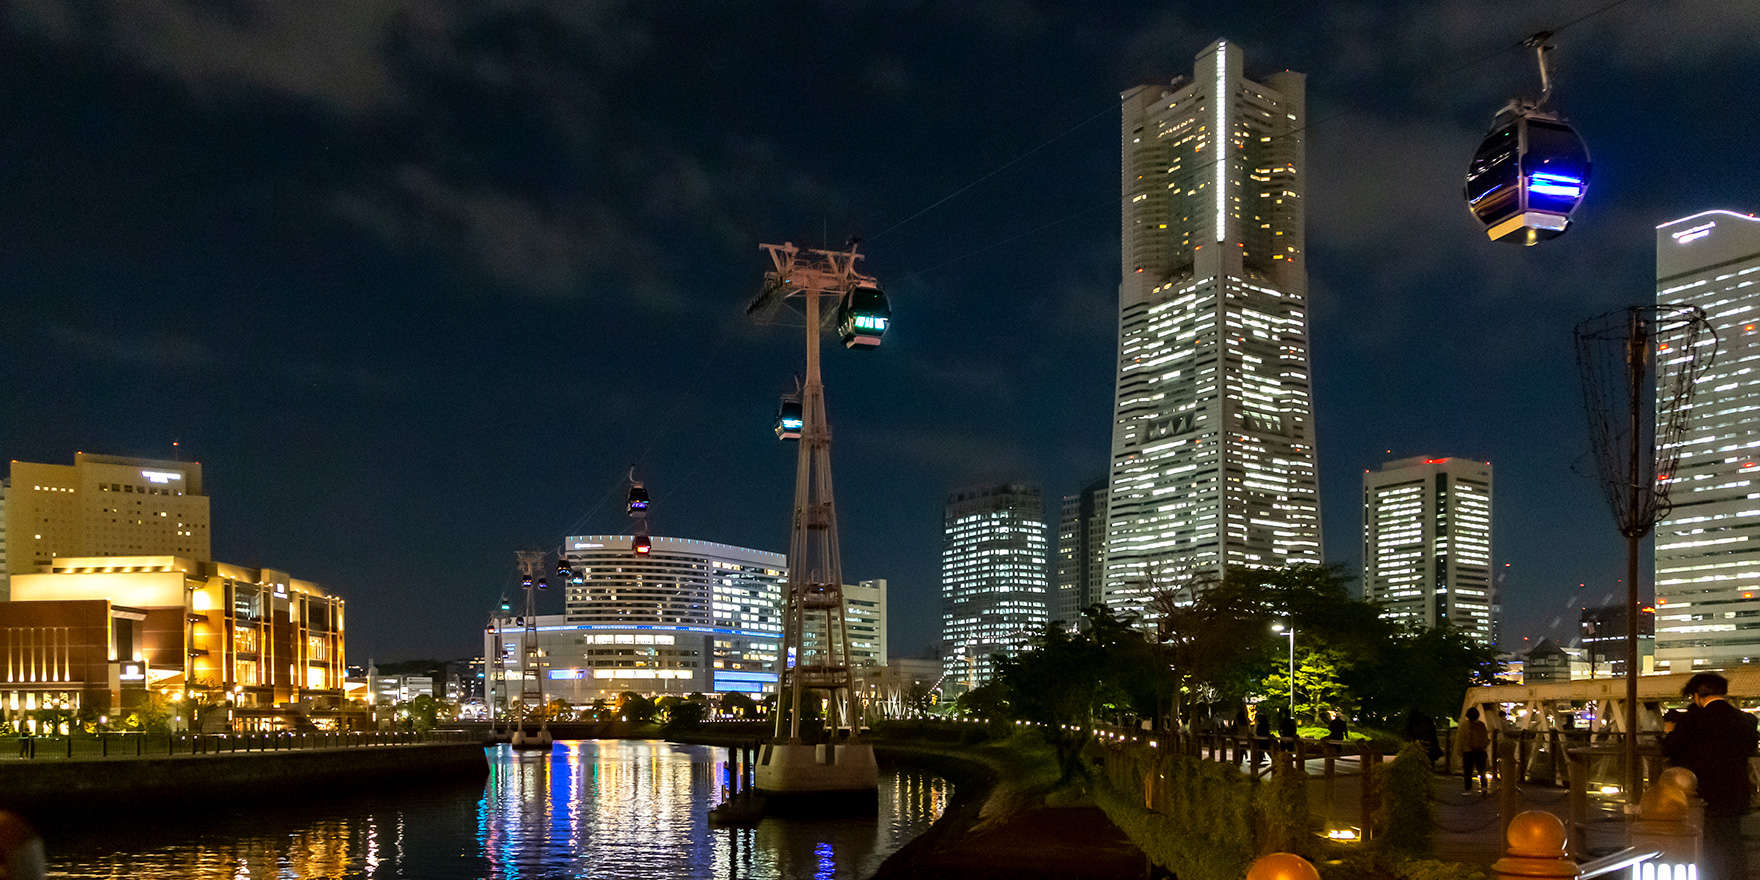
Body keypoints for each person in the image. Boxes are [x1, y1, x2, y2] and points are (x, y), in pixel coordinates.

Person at [1660, 672, 1758, 880]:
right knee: (1732, 843)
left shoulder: (1694, 719)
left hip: (1702, 793)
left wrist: (1669, 731)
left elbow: (1669, 749)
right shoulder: (1743, 720)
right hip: (1735, 792)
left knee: (1706, 845)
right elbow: (1750, 747)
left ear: (1697, 695)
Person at [1458, 707, 1490, 793]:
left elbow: (1461, 739)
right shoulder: (1481, 725)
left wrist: (1459, 750)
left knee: (1468, 771)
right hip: (1480, 751)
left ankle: (1468, 789)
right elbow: (1486, 738)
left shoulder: (1465, 725)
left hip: (1468, 751)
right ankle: (1484, 787)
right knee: (1482, 770)